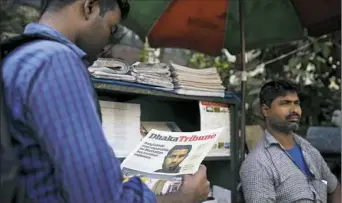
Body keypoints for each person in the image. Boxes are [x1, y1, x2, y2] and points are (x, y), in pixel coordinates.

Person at [1, 0, 210, 202]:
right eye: (112, 28)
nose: (109, 42)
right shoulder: (56, 62)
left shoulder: (18, 58)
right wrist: (183, 197)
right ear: (90, 7)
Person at [240, 80, 341, 203]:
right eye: (285, 103)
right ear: (266, 110)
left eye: (296, 103)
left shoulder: (309, 149)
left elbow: (334, 188)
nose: (294, 110)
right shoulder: (257, 164)